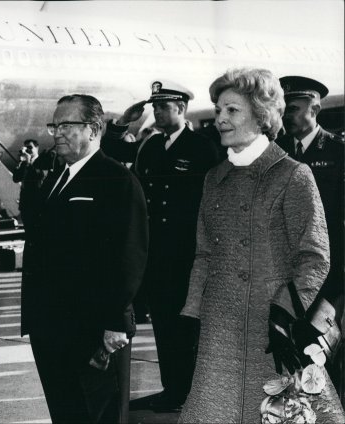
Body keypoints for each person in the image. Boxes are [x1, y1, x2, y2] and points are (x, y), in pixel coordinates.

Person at [178, 68, 344, 423]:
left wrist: (284, 313)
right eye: (218, 110)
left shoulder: (293, 175)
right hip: (219, 328)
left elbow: (314, 257)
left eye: (232, 110)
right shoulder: (214, 178)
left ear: (261, 115)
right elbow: (204, 254)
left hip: (272, 328)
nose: (220, 119)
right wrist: (192, 314)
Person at [21, 94, 149, 423]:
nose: (57, 133)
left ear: (93, 130)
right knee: (66, 413)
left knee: (97, 414)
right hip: (52, 326)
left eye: (67, 125)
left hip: (92, 329)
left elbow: (129, 257)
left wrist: (114, 324)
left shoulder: (116, 180)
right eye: (55, 125)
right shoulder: (54, 179)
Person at [102, 80, 220, 412]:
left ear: (181, 108)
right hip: (157, 256)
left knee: (190, 328)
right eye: (153, 107)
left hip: (190, 255)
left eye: (162, 107)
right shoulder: (150, 147)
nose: (156, 112)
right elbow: (113, 154)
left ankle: (196, 393)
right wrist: (122, 125)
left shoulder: (203, 147)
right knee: (164, 326)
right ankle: (173, 389)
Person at [275, 76, 345, 405]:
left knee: (323, 348)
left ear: (314, 108)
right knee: (288, 348)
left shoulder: (337, 151)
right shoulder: (278, 153)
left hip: (330, 273)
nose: (286, 115)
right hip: (286, 273)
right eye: (283, 108)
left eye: (293, 108)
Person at [12, 139, 46, 231]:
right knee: (28, 231)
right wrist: (19, 162)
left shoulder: (42, 161)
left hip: (37, 203)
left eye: (30, 147)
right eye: (26, 148)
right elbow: (16, 178)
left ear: (37, 148)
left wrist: (29, 163)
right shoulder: (24, 164)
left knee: (37, 231)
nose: (28, 150)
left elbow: (40, 176)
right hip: (25, 204)